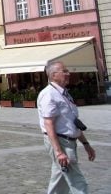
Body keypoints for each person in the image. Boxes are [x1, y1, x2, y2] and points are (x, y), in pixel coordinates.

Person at [37, 61, 96, 193]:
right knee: (78, 181)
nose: (68, 74)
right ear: (53, 75)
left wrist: (86, 143)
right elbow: (49, 124)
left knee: (59, 182)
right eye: (64, 71)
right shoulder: (49, 94)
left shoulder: (63, 93)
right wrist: (58, 151)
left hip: (68, 141)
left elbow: (72, 122)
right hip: (61, 142)